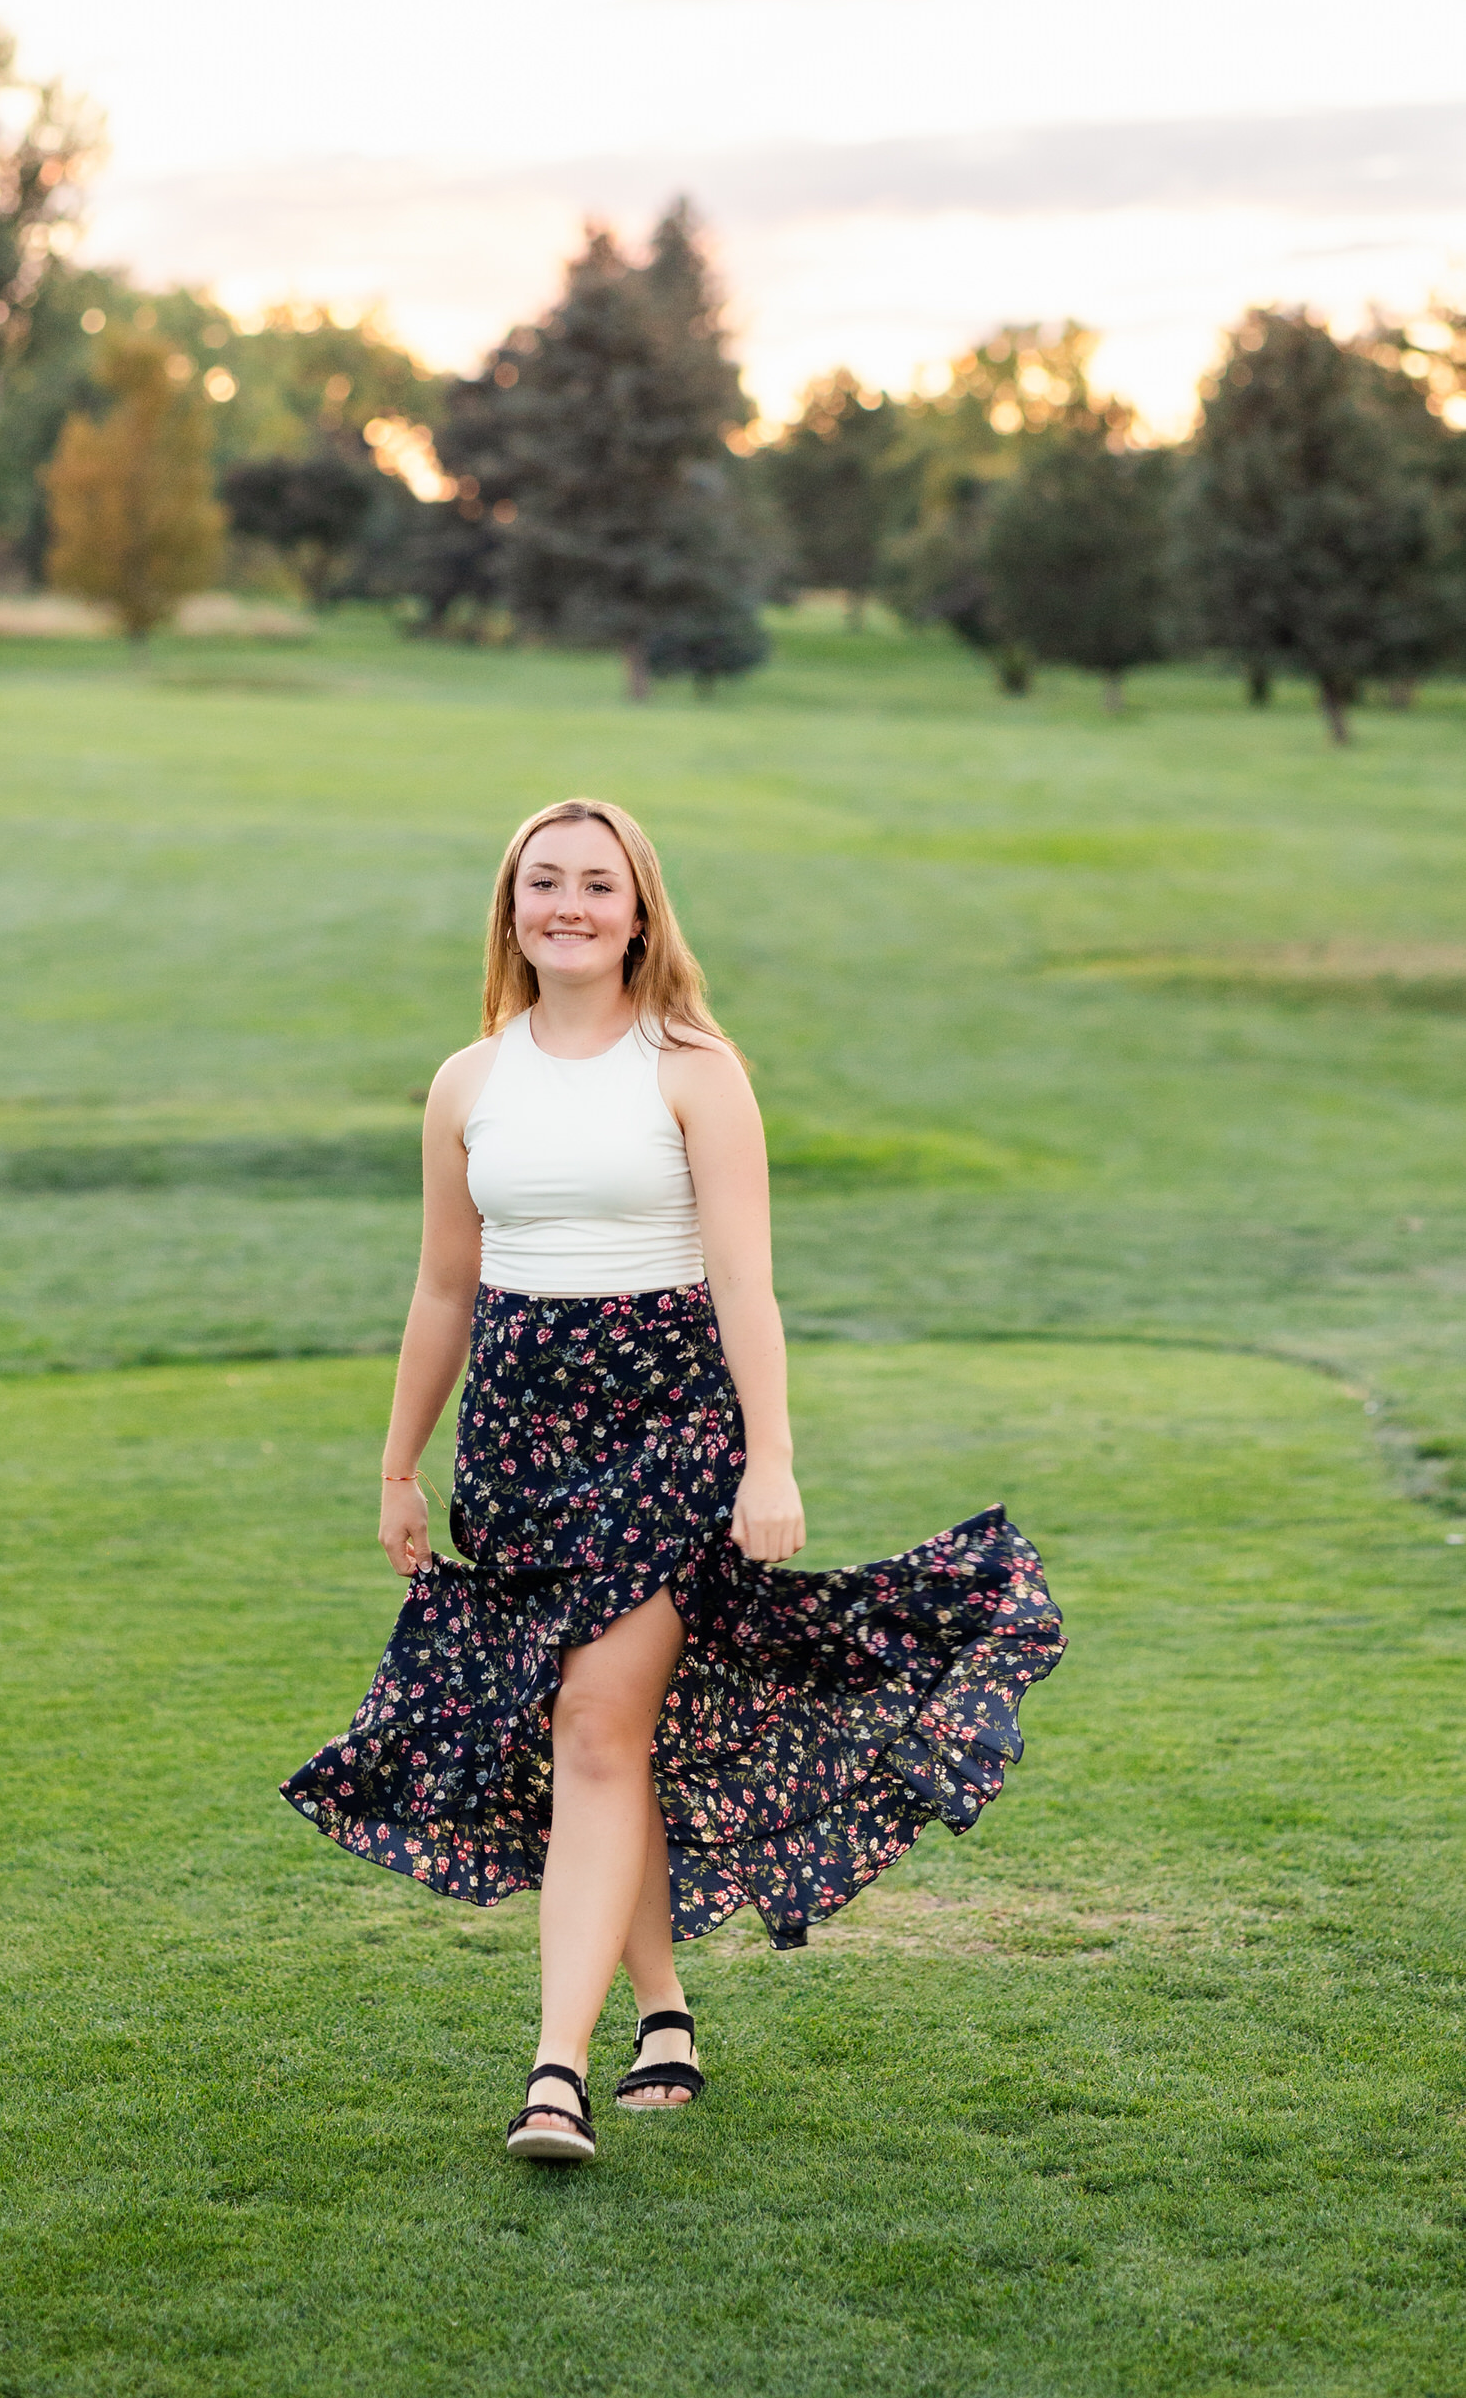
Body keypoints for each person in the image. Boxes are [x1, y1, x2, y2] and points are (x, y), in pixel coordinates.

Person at [283, 797, 1065, 2163]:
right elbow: (443, 1286)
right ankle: (664, 2011)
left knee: (594, 1725)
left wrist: (773, 1459)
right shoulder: (469, 1081)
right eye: (544, 884)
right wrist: (399, 1462)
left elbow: (750, 1283)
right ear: (511, 909)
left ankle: (551, 2072)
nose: (569, 905)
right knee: (603, 1741)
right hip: (520, 1443)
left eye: (597, 884)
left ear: (641, 910)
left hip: (667, 1428)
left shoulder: (694, 1067)